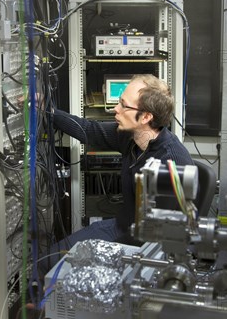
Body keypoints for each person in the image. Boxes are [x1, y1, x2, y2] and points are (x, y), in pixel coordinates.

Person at [45, 74, 193, 267]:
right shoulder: (129, 137)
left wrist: (103, 255)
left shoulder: (171, 161)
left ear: (146, 117)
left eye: (124, 105)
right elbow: (88, 130)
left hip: (147, 245)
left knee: (71, 267)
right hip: (121, 227)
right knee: (49, 261)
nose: (116, 109)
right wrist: (48, 112)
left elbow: (166, 235)